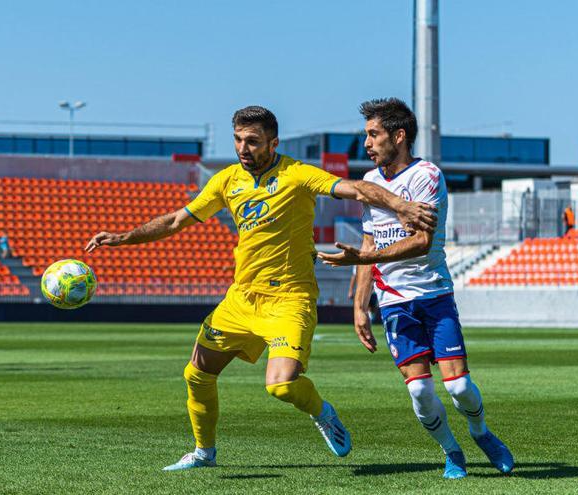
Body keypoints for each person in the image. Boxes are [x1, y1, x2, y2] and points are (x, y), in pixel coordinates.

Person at [85, 105, 437, 471]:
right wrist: (123, 238)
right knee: (197, 374)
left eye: (252, 141)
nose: (243, 148)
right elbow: (176, 220)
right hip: (241, 300)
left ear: (273, 143)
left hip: (290, 299)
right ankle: (204, 453)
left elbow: (356, 188)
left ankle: (322, 411)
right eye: (238, 140)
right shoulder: (226, 181)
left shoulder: (297, 174)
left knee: (281, 386)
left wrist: (399, 205)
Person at [318, 98, 513, 479]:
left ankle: (481, 433)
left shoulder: (426, 175)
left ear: (399, 135)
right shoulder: (371, 184)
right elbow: (370, 244)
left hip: (434, 295)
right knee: (420, 392)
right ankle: (452, 451)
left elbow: (422, 241)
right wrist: (360, 307)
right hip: (394, 303)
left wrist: (362, 259)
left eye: (374, 135)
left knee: (458, 387)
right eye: (366, 136)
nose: (367, 144)